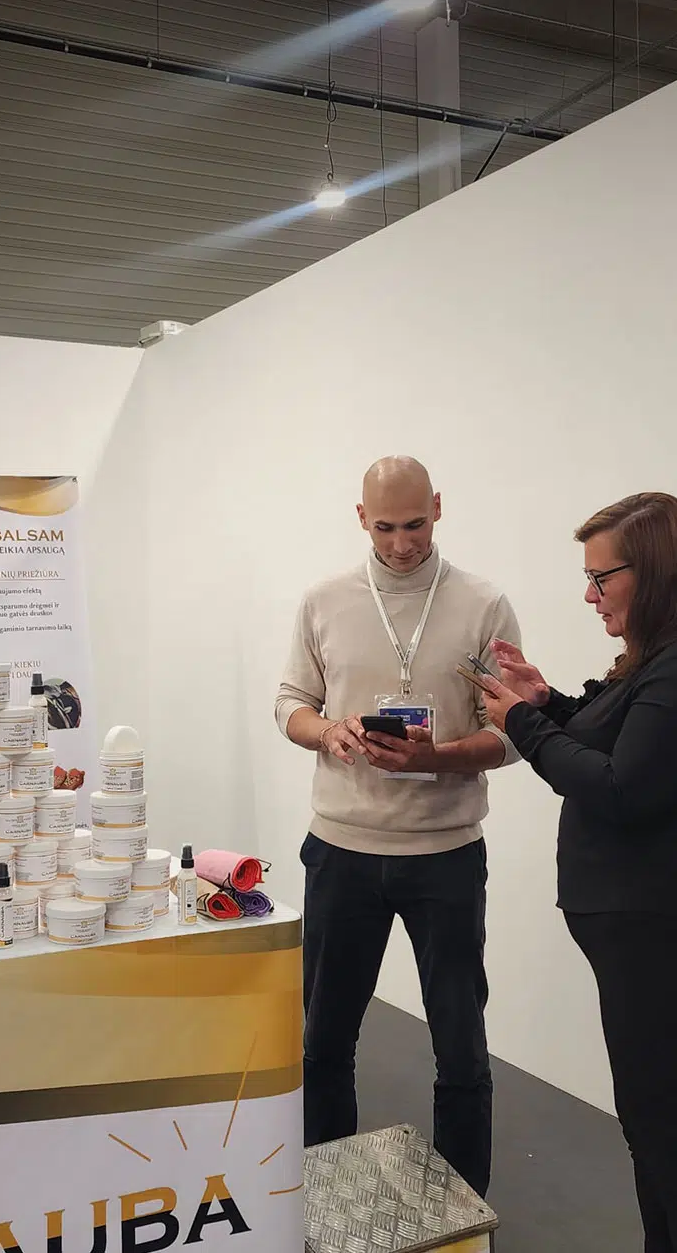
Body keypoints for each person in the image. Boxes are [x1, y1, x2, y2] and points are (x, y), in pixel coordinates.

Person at [477, 492, 677, 1253]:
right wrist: (548, 702)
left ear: (657, 572)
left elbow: (620, 789)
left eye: (600, 578)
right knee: (659, 1147)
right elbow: (620, 742)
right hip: (654, 948)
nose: (589, 595)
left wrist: (522, 723)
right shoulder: (670, 659)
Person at [275, 456, 521, 1197]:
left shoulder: (483, 604)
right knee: (324, 1041)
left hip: (446, 855)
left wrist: (435, 757)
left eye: (415, 524)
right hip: (342, 850)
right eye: (384, 527)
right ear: (361, 518)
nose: (402, 543)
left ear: (438, 507)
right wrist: (329, 733)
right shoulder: (324, 600)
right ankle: (325, 1199)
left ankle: (466, 1209)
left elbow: (512, 734)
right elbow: (290, 703)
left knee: (461, 1049)